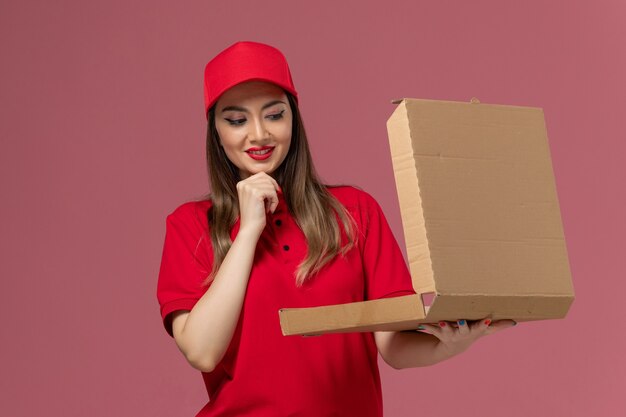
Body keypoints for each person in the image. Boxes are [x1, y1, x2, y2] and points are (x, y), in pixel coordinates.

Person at [156, 41, 515, 417]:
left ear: (293, 118)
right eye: (236, 120)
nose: (259, 134)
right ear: (216, 132)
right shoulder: (191, 226)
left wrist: (450, 345)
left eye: (274, 115)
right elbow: (201, 351)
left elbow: (392, 344)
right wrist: (248, 232)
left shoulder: (355, 212)